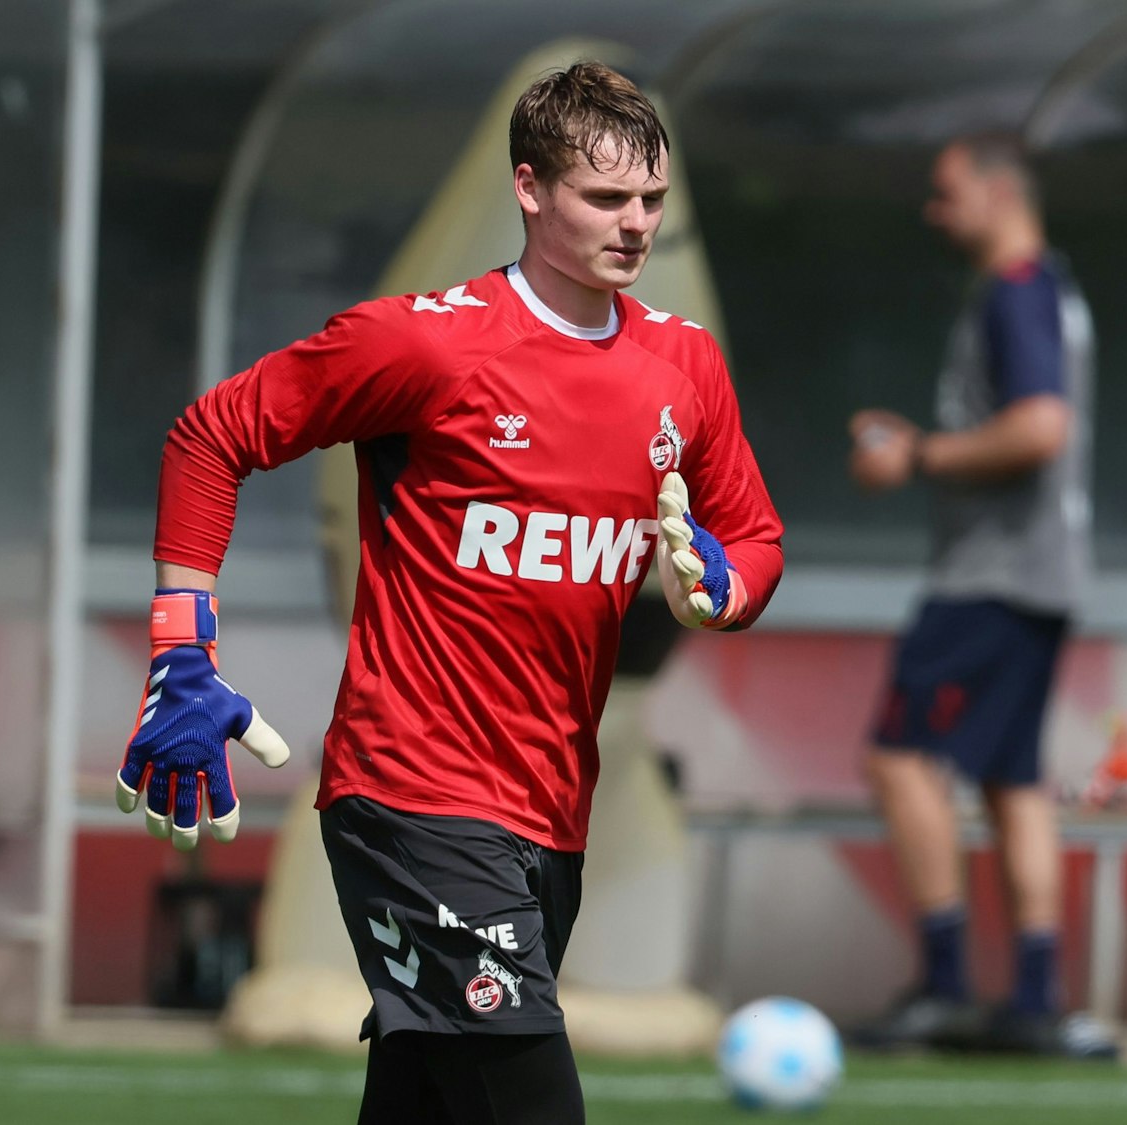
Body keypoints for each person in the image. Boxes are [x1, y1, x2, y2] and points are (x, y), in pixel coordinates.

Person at [116, 62, 783, 1123]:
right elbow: (213, 437)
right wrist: (179, 651)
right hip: (410, 793)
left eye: (649, 200)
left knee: (429, 1101)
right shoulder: (423, 341)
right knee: (528, 1104)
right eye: (603, 199)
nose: (634, 225)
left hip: (552, 810)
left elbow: (750, 536)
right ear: (528, 189)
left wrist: (722, 583)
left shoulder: (681, 364)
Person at [846, 132, 1110, 1059]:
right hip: (1041, 576)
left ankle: (949, 986)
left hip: (993, 577)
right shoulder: (1049, 289)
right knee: (1011, 778)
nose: (936, 207)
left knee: (899, 755)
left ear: (1000, 194)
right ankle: (1033, 999)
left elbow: (1040, 428)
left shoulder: (1017, 291)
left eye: (948, 189)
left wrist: (915, 453)